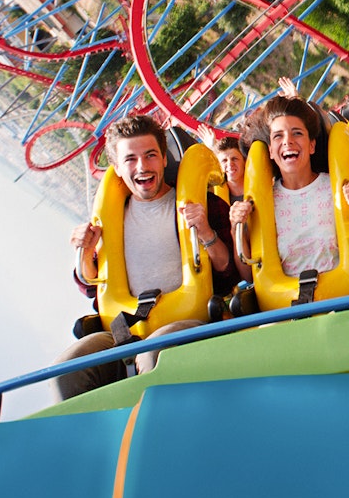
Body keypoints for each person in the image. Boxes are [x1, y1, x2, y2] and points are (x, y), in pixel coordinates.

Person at [53, 115, 239, 400]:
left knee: (155, 354)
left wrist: (205, 231)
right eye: (131, 159)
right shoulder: (110, 218)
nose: (142, 166)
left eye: (150, 155)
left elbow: (229, 274)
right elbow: (92, 286)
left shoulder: (203, 203)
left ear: (164, 159)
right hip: (124, 330)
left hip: (186, 323)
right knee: (69, 366)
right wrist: (85, 251)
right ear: (117, 168)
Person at [229, 95, 349, 280]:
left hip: (344, 296)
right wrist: (236, 227)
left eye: (297, 133)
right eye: (278, 136)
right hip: (289, 303)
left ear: (311, 145)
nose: (287, 141)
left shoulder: (336, 187)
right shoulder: (263, 203)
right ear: (270, 150)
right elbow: (249, 275)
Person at [198, 124, 246, 202]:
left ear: (244, 161)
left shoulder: (261, 181)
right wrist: (213, 147)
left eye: (234, 159)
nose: (230, 164)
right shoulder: (217, 200)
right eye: (224, 161)